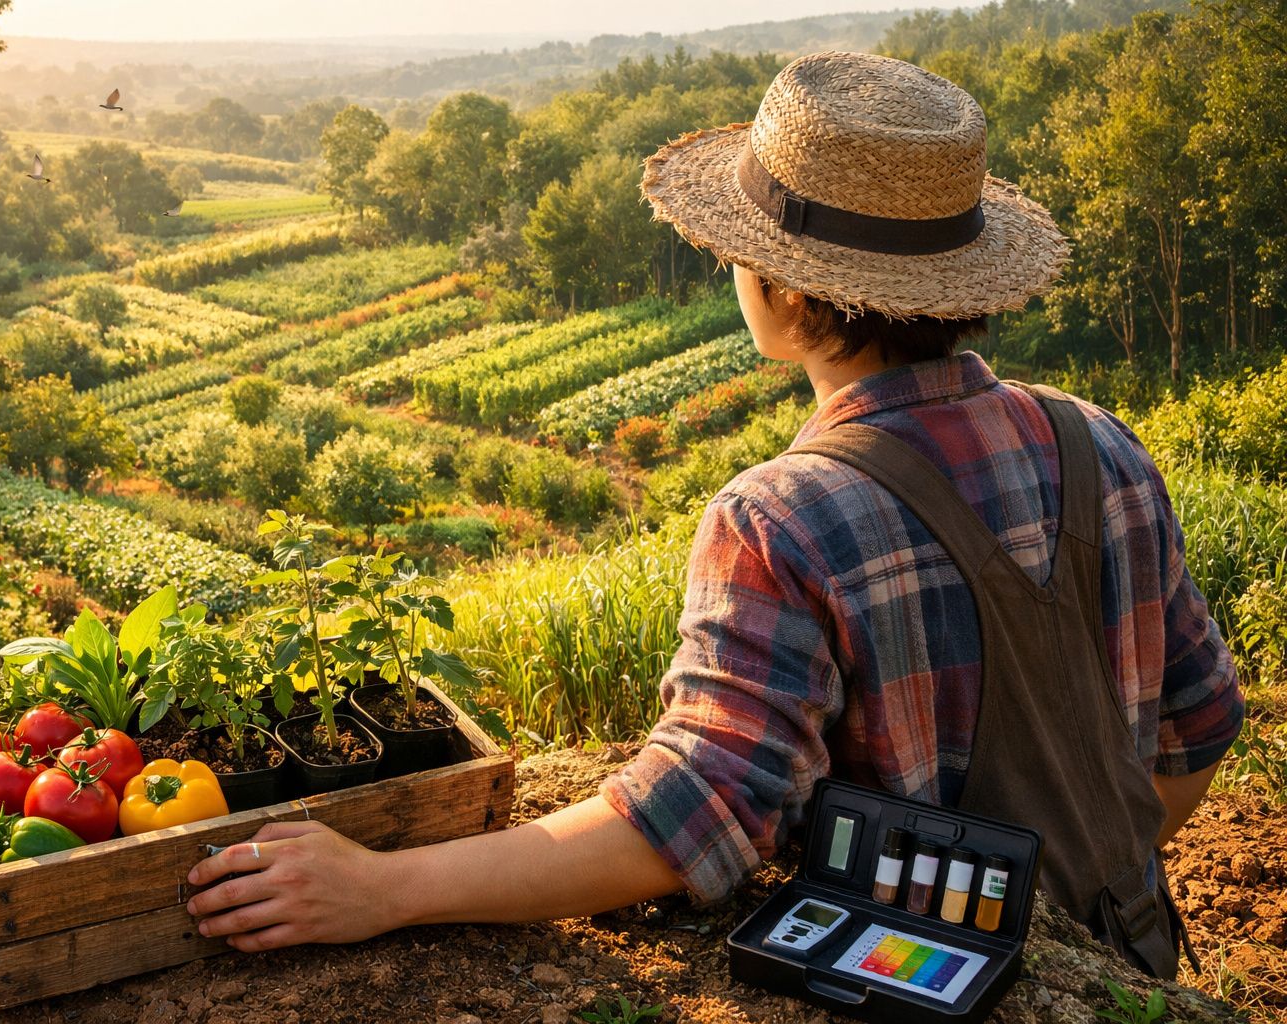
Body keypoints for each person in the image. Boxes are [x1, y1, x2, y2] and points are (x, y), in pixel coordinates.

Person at [183, 52, 1243, 979]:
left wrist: (382, 888)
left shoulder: (784, 518)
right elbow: (1198, 726)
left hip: (914, 975)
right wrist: (1067, 903)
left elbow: (694, 817)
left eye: (741, 253)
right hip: (1127, 951)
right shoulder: (1098, 441)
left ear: (788, 296)